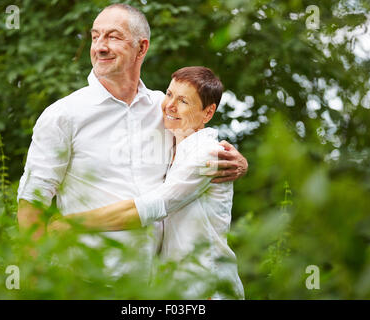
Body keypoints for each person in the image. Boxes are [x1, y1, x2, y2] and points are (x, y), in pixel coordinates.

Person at [17, 4, 247, 281]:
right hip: (88, 284)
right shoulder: (63, 115)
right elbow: (32, 201)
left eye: (113, 37)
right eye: (95, 36)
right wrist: (35, 278)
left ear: (141, 48)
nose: (100, 46)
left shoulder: (162, 108)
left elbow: (195, 147)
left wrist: (237, 162)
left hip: (159, 287)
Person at [48, 66, 245, 299]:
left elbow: (152, 206)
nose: (169, 105)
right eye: (169, 94)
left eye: (183, 101)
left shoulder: (208, 154)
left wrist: (72, 223)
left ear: (208, 113)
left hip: (209, 289)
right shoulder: (172, 144)